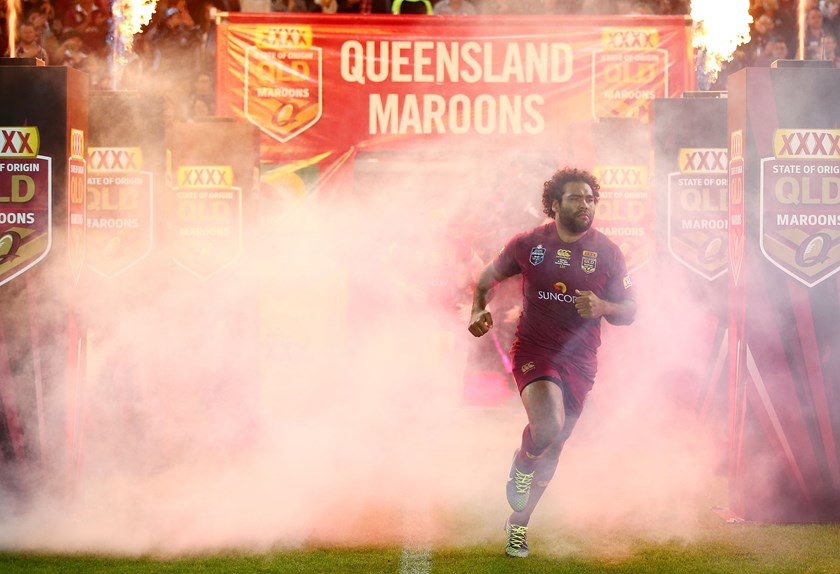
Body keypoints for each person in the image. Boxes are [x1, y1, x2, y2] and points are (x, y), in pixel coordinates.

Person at [467, 167, 636, 558]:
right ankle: (522, 462)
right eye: (576, 198)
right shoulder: (529, 244)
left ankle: (518, 526)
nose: (586, 205)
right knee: (548, 426)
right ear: (555, 204)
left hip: (580, 360)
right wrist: (477, 310)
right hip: (535, 350)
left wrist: (604, 305)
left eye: (591, 198)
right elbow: (486, 278)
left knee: (556, 445)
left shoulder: (608, 252)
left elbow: (630, 310)